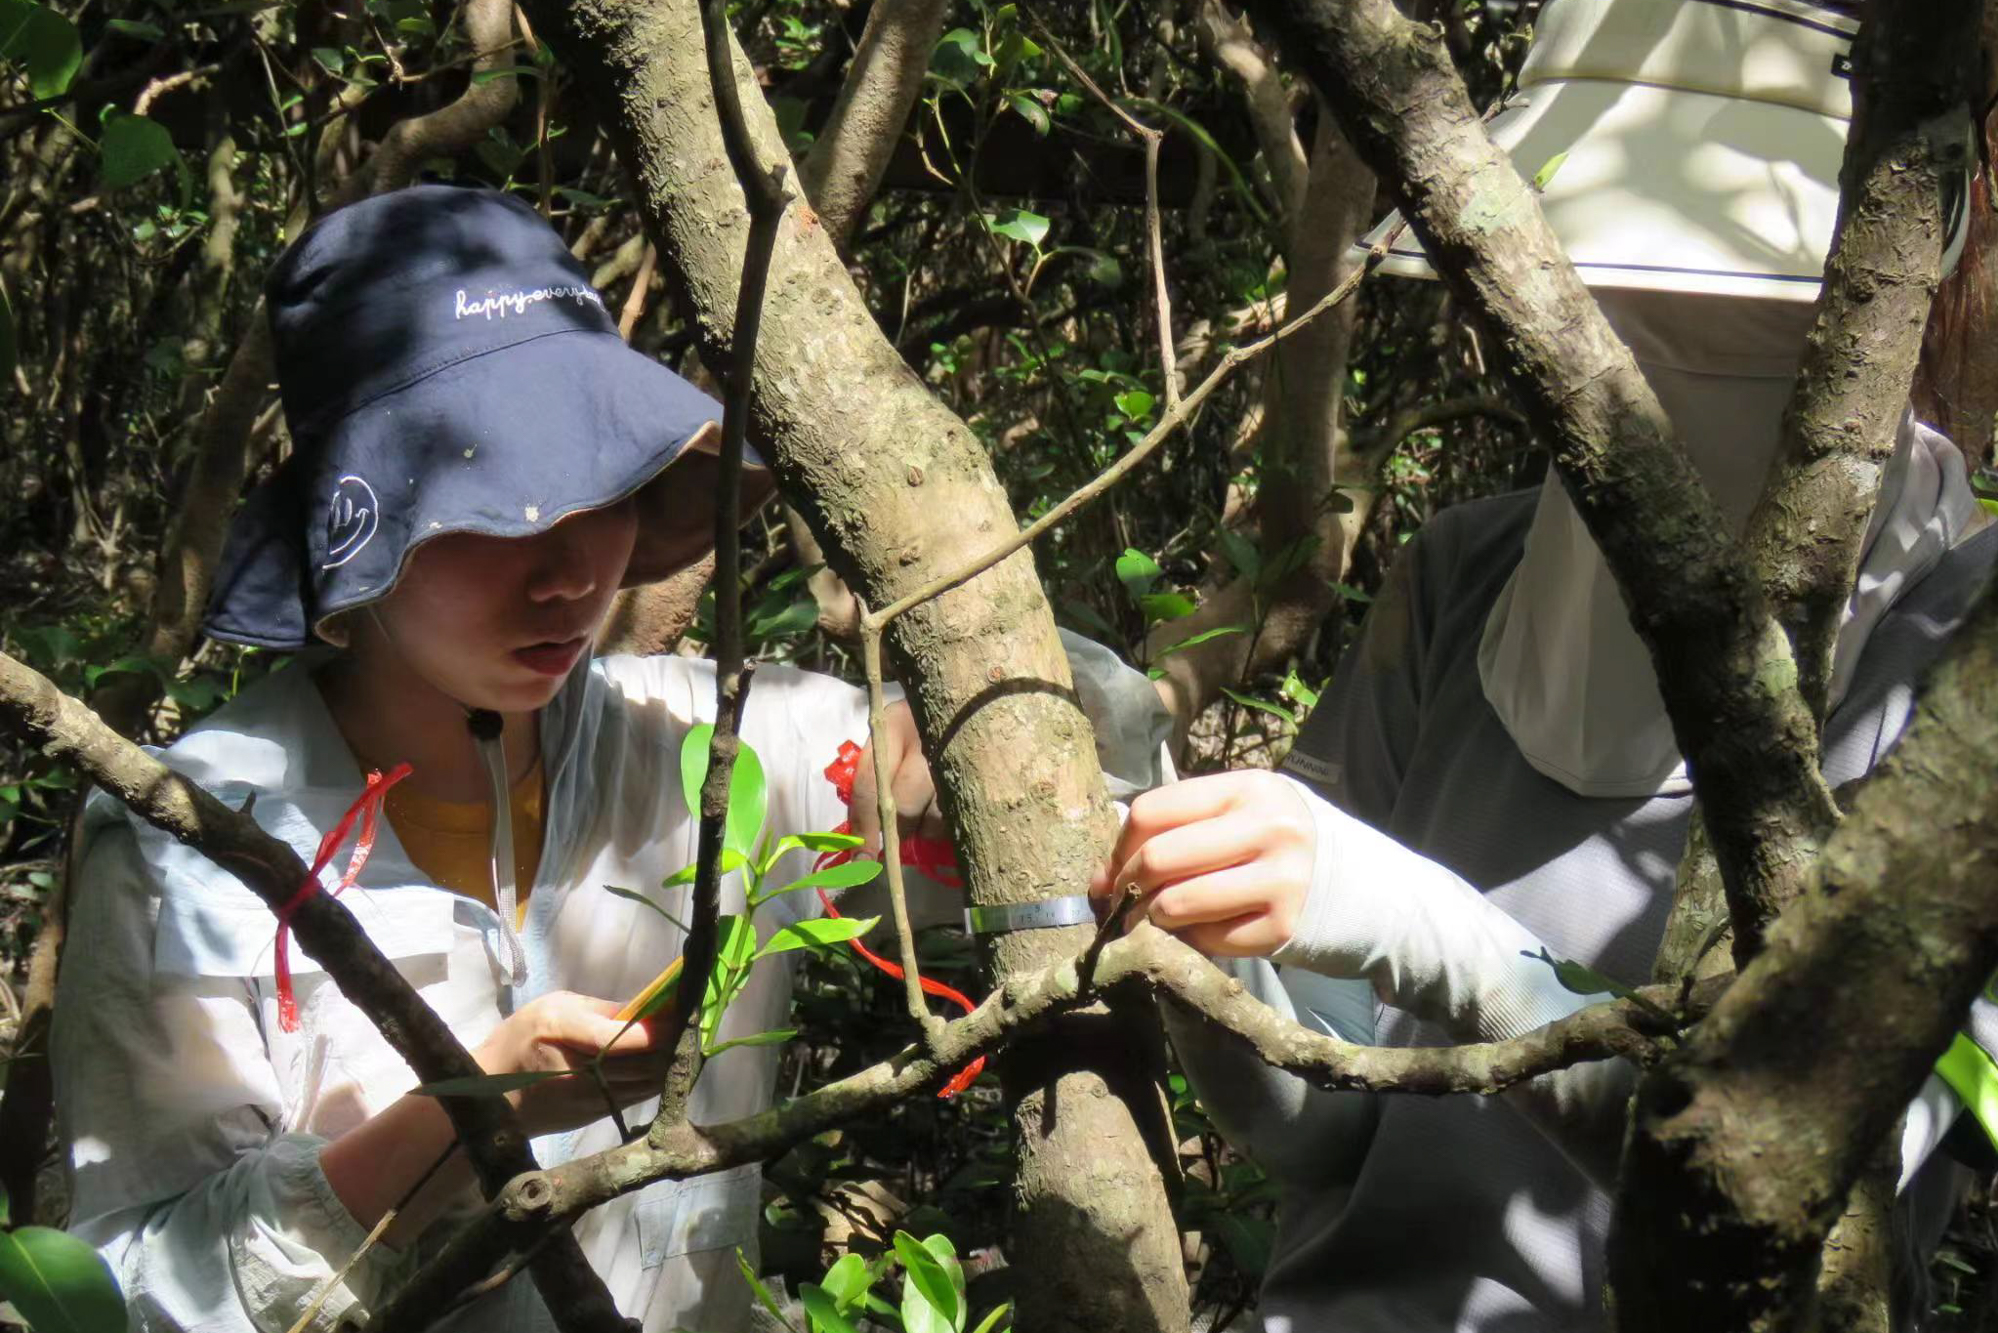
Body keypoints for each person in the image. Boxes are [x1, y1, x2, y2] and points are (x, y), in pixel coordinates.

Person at [49, 184, 1168, 1333]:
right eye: (494, 509)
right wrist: (467, 1118)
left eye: (602, 487)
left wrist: (1001, 769)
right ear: (358, 531)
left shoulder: (706, 755)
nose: (570, 572)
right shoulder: (195, 848)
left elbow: (1034, 751)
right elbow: (134, 1290)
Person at [1101, 2, 1998, 1329]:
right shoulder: (1467, 574)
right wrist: (1156, 826)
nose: (1668, 332)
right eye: (1612, 291)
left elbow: (1804, 1198)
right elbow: (1320, 1121)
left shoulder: (1972, 657)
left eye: (1724, 298)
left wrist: (1440, 938)